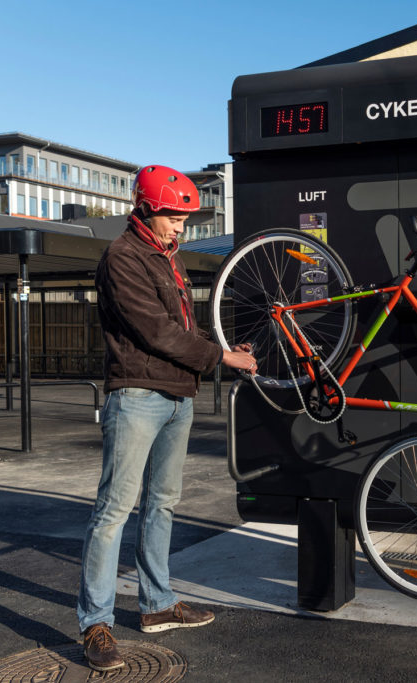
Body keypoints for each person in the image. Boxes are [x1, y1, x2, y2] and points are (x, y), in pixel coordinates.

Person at [77, 164, 256, 672]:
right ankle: (96, 623)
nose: (182, 227)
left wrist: (219, 348)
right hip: (137, 395)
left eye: (184, 219)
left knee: (163, 505)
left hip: (178, 396)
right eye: (175, 217)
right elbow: (155, 332)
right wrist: (223, 359)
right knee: (114, 511)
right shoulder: (122, 258)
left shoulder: (166, 257)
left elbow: (183, 330)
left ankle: (156, 606)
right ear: (148, 209)